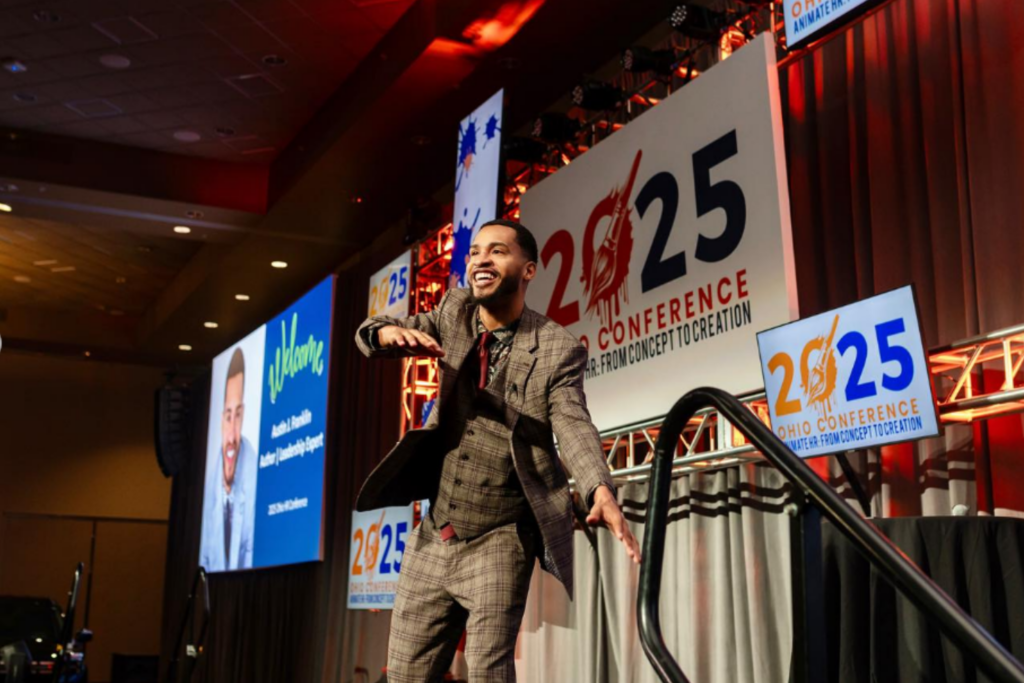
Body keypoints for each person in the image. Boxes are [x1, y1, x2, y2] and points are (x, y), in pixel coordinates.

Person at [355, 219, 641, 683]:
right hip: (435, 535)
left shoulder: (555, 349)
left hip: (499, 537)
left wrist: (598, 490)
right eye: (475, 252)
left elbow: (573, 424)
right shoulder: (454, 310)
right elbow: (377, 329)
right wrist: (385, 335)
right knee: (404, 674)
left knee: (488, 671)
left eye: (497, 252)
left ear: (527, 270)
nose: (481, 260)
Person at [200, 348, 258, 571]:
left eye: (238, 415)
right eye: (228, 416)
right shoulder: (210, 483)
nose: (232, 434)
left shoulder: (255, 476)